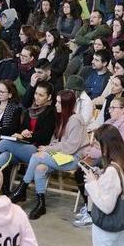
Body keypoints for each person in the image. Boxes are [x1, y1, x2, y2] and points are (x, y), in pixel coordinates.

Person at [12, 89, 87, 220]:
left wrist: (48, 149)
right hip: (61, 156)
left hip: (74, 158)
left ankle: (21, 189)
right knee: (40, 168)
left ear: (67, 105)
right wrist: (50, 147)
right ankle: (41, 204)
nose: (56, 105)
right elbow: (55, 140)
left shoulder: (75, 120)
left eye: (59, 103)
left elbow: (71, 147)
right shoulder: (62, 117)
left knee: (36, 156)